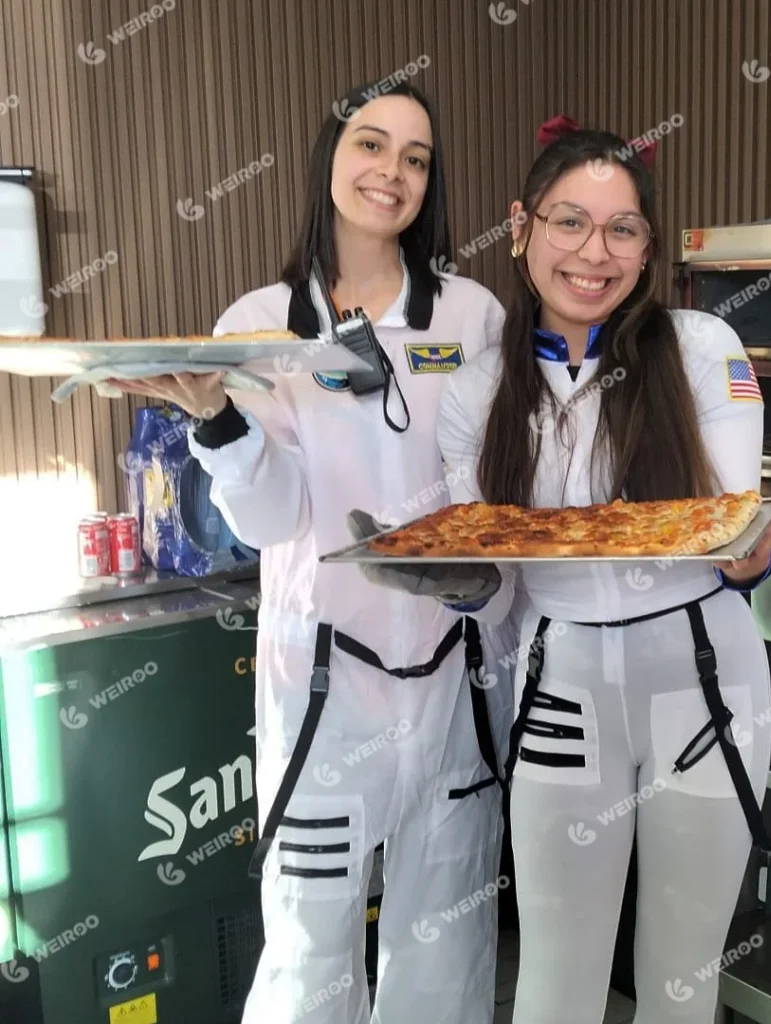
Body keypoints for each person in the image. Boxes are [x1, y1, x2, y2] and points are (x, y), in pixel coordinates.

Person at [111, 83, 512, 1024]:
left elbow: (491, 492)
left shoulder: (470, 316)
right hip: (325, 685)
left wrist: (480, 577)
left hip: (456, 678)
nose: (392, 172)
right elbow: (270, 515)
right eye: (371, 144)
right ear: (329, 156)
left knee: (447, 950)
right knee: (310, 953)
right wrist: (216, 419)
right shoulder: (258, 323)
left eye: (416, 157)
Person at [436, 115, 771, 1024]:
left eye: (622, 228)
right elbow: (492, 579)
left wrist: (751, 555)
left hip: (706, 684)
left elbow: (725, 533)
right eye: (569, 221)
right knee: (556, 980)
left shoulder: (702, 347)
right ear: (520, 227)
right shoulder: (478, 390)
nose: (594, 253)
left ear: (647, 246)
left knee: (682, 977)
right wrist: (452, 580)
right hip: (560, 691)